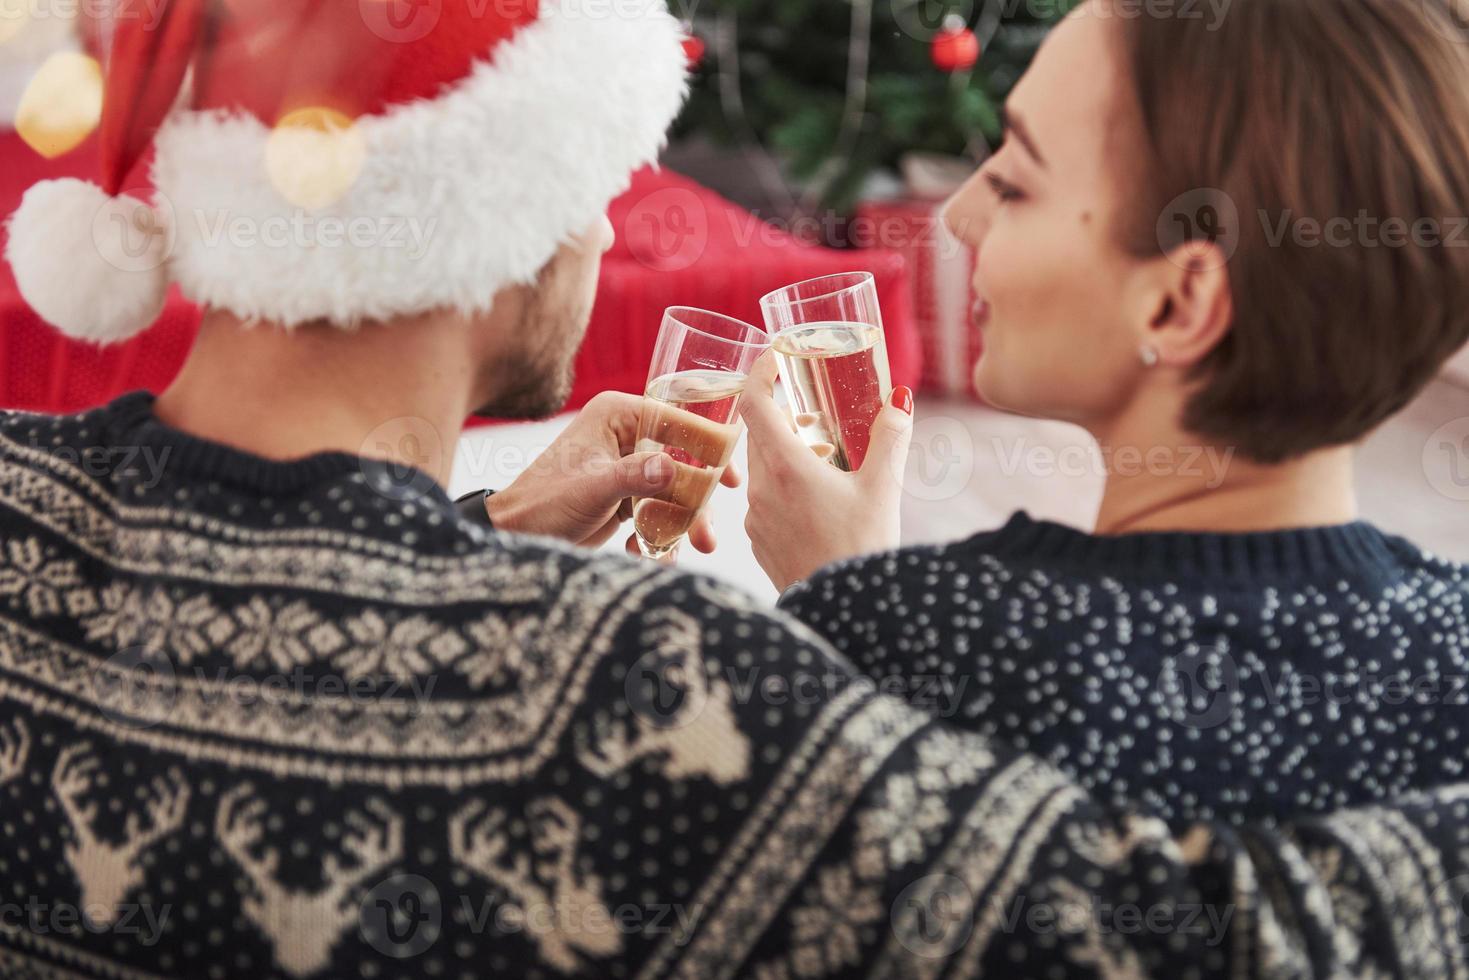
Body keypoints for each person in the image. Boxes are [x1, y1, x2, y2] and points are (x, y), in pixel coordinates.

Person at [0, 1, 1465, 977]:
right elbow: (1206, 932)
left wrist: (479, 536)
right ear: (515, 213)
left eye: (1009, 177)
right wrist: (856, 611)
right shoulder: (636, 688)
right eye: (608, 181)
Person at [742, 0, 1469, 827]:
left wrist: (841, 600)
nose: (960, 213)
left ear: (1176, 303)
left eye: (1014, 182)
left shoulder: (954, 645)